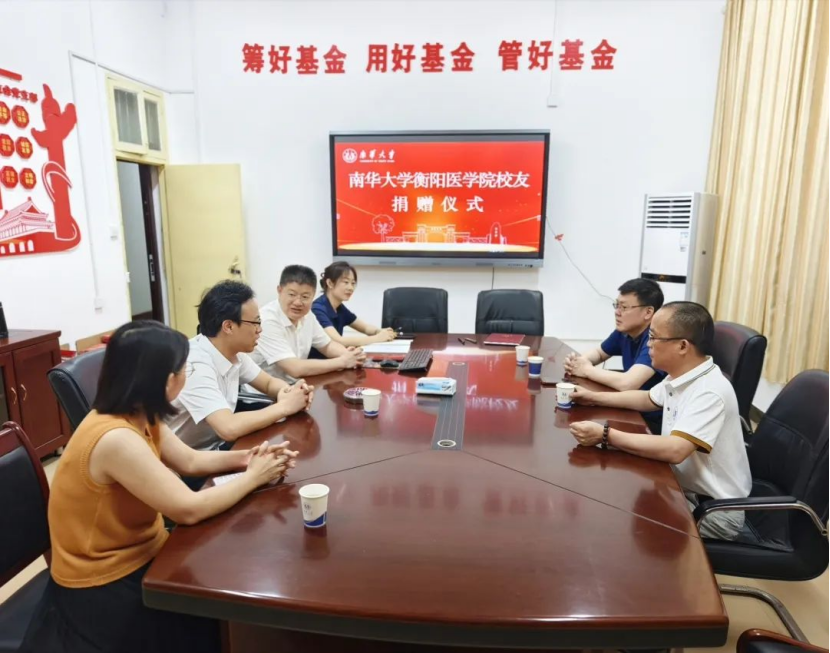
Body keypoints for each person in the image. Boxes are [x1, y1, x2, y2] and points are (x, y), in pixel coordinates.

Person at [21, 321, 299, 653]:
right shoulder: (115, 438)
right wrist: (253, 477)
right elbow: (187, 509)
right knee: (221, 622)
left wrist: (249, 459)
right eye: (184, 370)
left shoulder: (140, 413)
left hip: (145, 551)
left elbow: (190, 461)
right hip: (105, 582)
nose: (186, 376)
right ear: (167, 381)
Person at [568, 301, 751, 541]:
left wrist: (605, 435)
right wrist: (592, 398)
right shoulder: (683, 374)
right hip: (682, 489)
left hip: (713, 511)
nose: (648, 344)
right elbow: (647, 398)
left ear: (682, 346)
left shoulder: (709, 391)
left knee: (614, 525)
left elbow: (675, 450)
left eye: (654, 337)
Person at [167, 280, 313, 452]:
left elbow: (268, 383)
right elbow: (228, 428)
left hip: (215, 448)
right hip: (186, 460)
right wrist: (285, 407)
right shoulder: (195, 365)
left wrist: (290, 392)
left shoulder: (232, 351)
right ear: (228, 326)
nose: (260, 330)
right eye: (255, 323)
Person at [563, 278, 666, 432]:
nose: (617, 312)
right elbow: (599, 353)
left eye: (624, 307)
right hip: (628, 408)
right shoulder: (624, 332)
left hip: (651, 422)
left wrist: (586, 370)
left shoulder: (656, 339)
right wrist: (578, 362)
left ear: (648, 312)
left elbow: (628, 383)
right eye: (616, 305)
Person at [251, 264, 366, 381]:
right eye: (292, 294)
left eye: (305, 297)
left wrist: (350, 356)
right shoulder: (266, 320)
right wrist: (342, 361)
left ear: (313, 296)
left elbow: (327, 345)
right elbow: (295, 368)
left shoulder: (307, 315)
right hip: (266, 391)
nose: (298, 302)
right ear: (279, 290)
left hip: (297, 385)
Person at [309, 261, 396, 359]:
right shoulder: (317, 309)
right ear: (330, 283)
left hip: (336, 360)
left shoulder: (339, 307)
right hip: (319, 363)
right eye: (346, 282)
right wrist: (377, 338)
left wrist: (380, 331)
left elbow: (365, 328)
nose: (350, 288)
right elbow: (338, 340)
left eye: (353, 283)